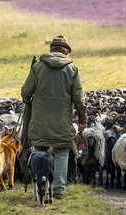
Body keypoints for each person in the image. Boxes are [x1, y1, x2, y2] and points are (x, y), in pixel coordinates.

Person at [21, 35, 87, 199]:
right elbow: (79, 99)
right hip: (62, 122)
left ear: (51, 50)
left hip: (40, 121)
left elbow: (25, 92)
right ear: (66, 52)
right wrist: (83, 121)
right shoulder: (72, 69)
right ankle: (59, 190)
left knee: (40, 153)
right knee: (62, 152)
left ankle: (41, 187)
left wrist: (28, 101)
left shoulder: (38, 66)